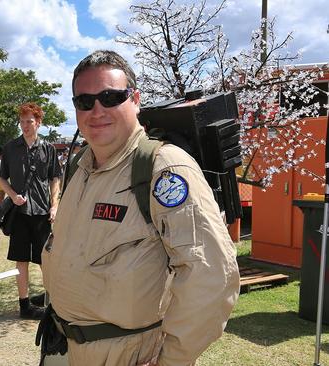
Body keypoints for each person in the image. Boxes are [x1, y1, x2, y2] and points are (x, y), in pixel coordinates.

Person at [41, 50, 240, 365]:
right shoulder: (79, 166)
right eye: (84, 101)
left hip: (126, 355)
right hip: (65, 347)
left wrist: (171, 360)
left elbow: (212, 276)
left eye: (110, 97)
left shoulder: (164, 168)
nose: (97, 110)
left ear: (134, 99)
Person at [0, 102, 61, 319]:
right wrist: (12, 195)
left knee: (46, 259)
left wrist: (55, 204)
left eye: (29, 121)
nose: (25, 125)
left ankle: (52, 303)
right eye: (22, 121)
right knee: (21, 259)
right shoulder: (10, 148)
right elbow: (2, 179)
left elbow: (55, 178)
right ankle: (24, 305)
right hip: (20, 212)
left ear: (39, 122)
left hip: (43, 212)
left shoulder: (49, 149)